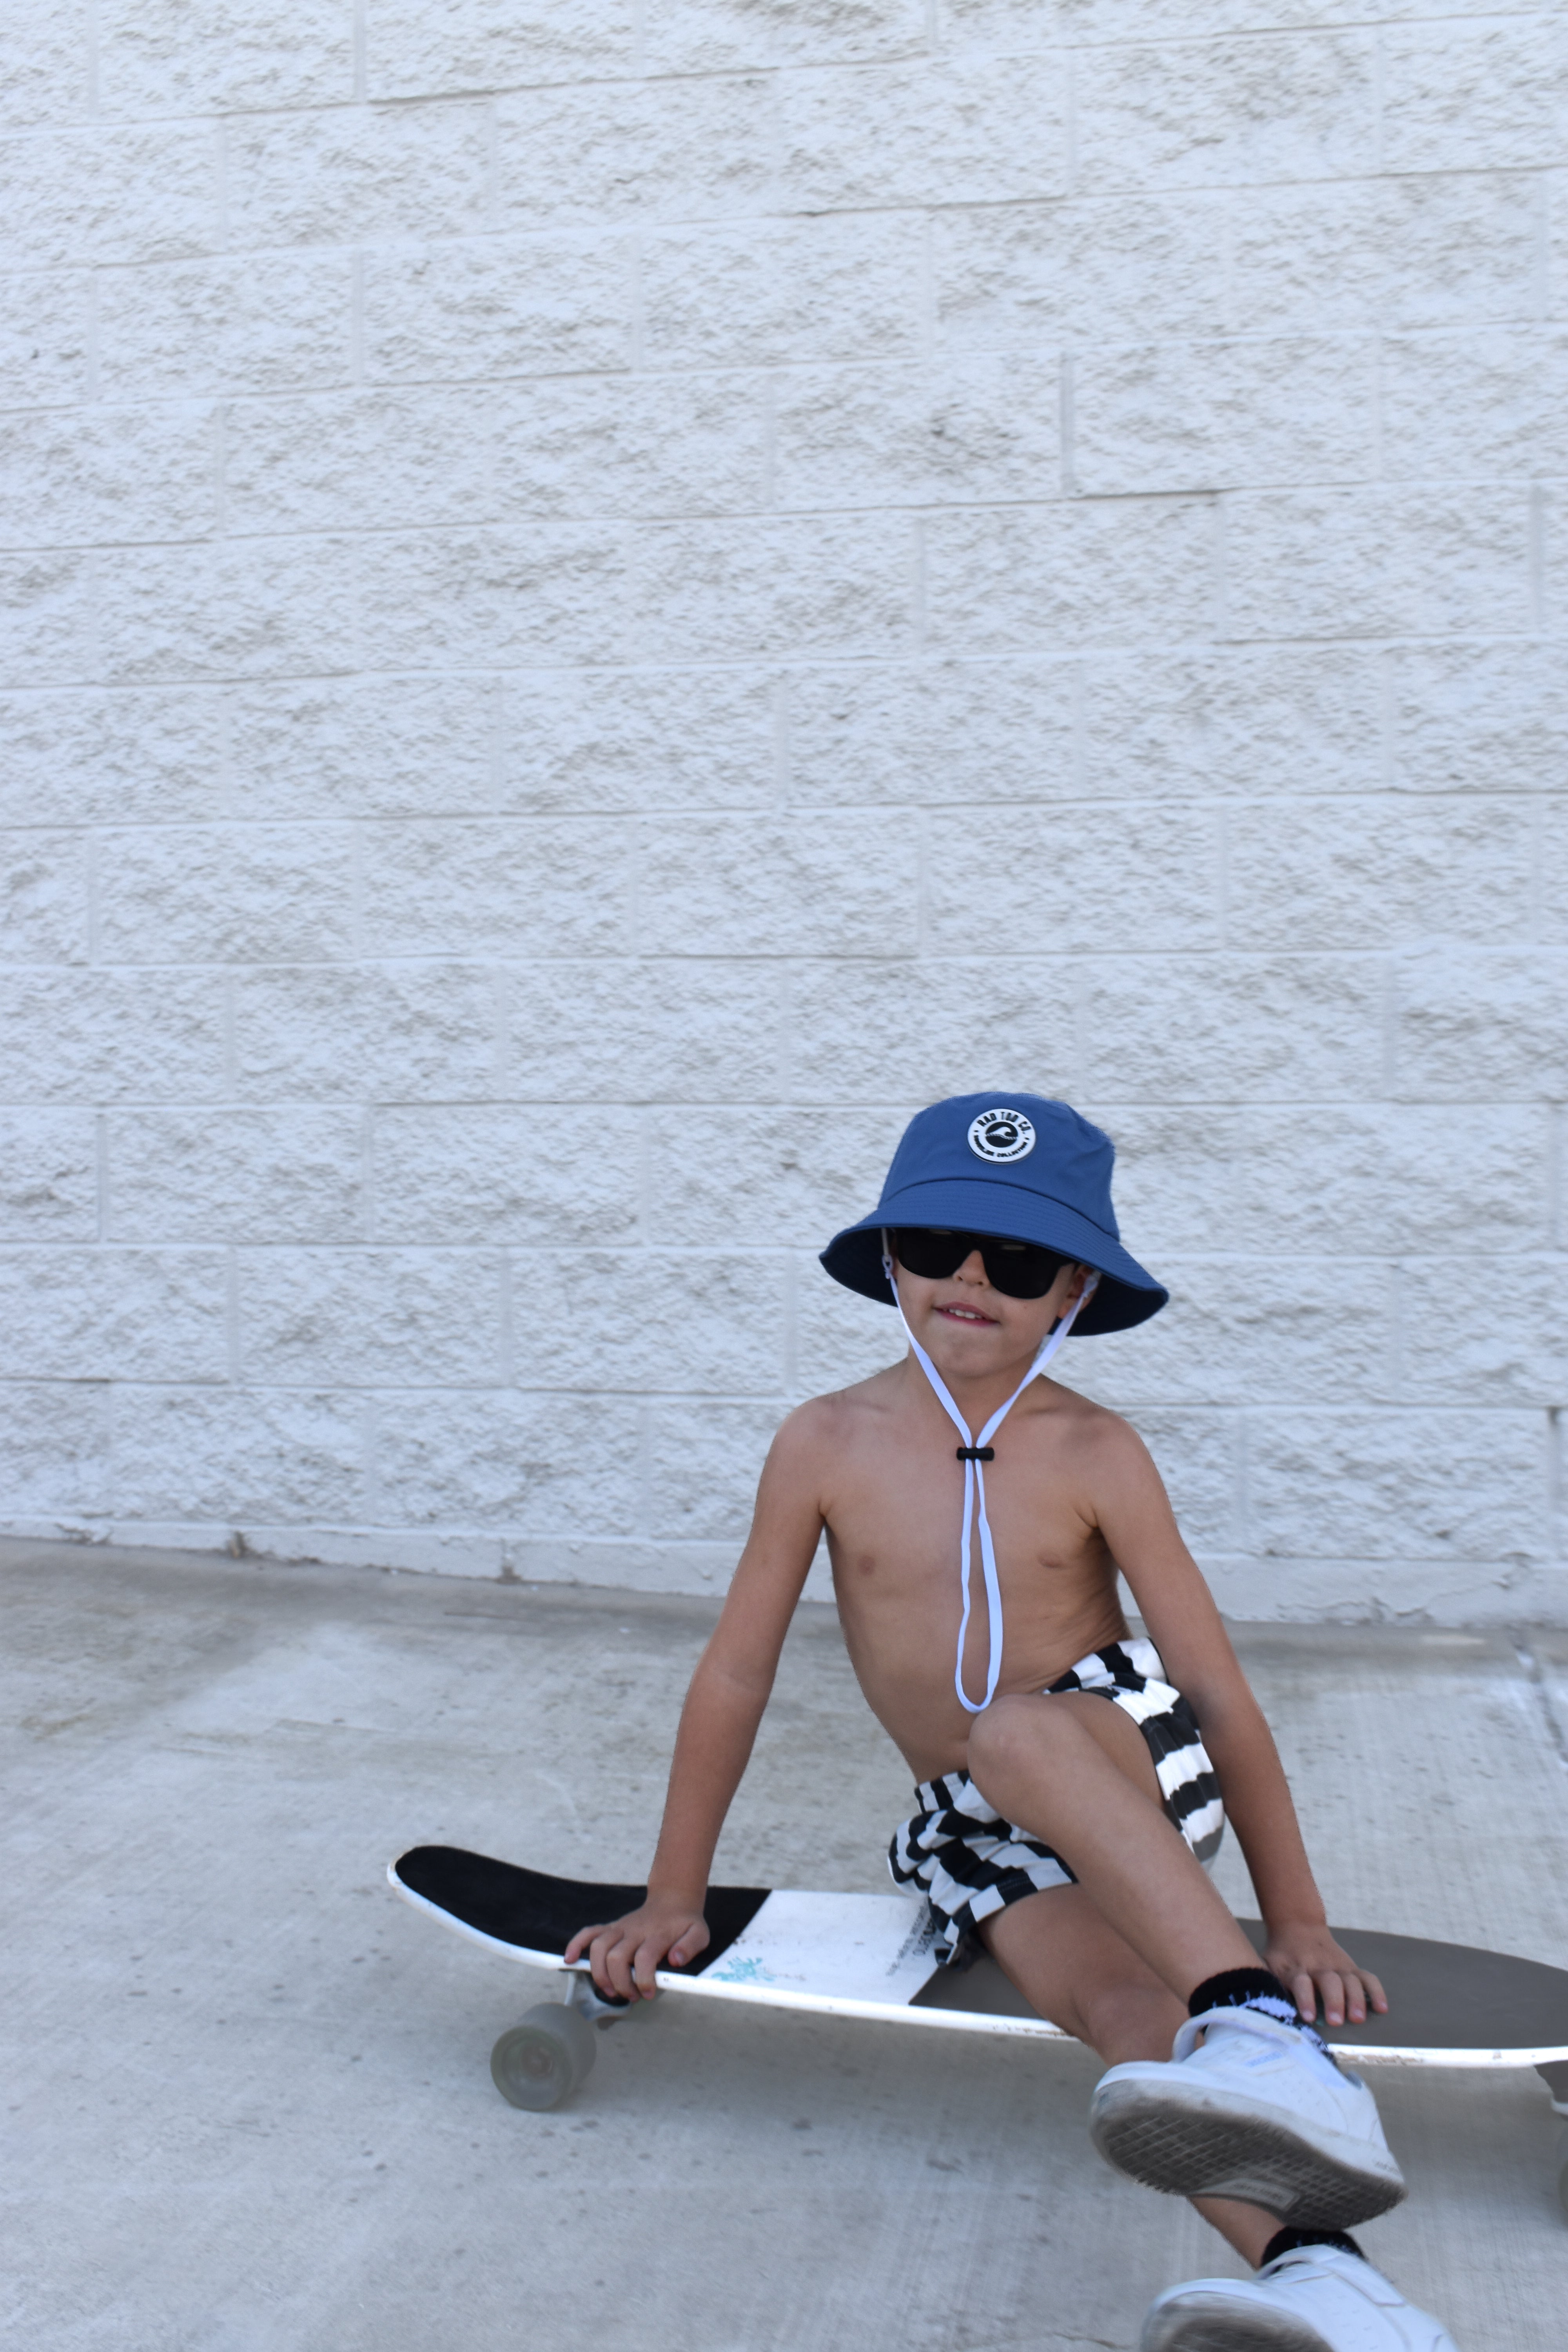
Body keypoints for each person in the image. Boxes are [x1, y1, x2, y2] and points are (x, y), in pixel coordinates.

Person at [566, 1094, 1460, 2352]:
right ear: (892, 1264)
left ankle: (1260, 2025)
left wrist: (1297, 1918)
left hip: (1120, 1757)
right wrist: (675, 1897)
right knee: (1126, 2030)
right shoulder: (823, 1442)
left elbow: (1216, 1695)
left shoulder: (1098, 1451)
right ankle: (1336, 2284)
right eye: (938, 1244)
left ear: (1073, 1294)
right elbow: (734, 1675)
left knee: (1017, 1731)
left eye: (1020, 1258)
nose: (972, 1275)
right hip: (974, 1825)